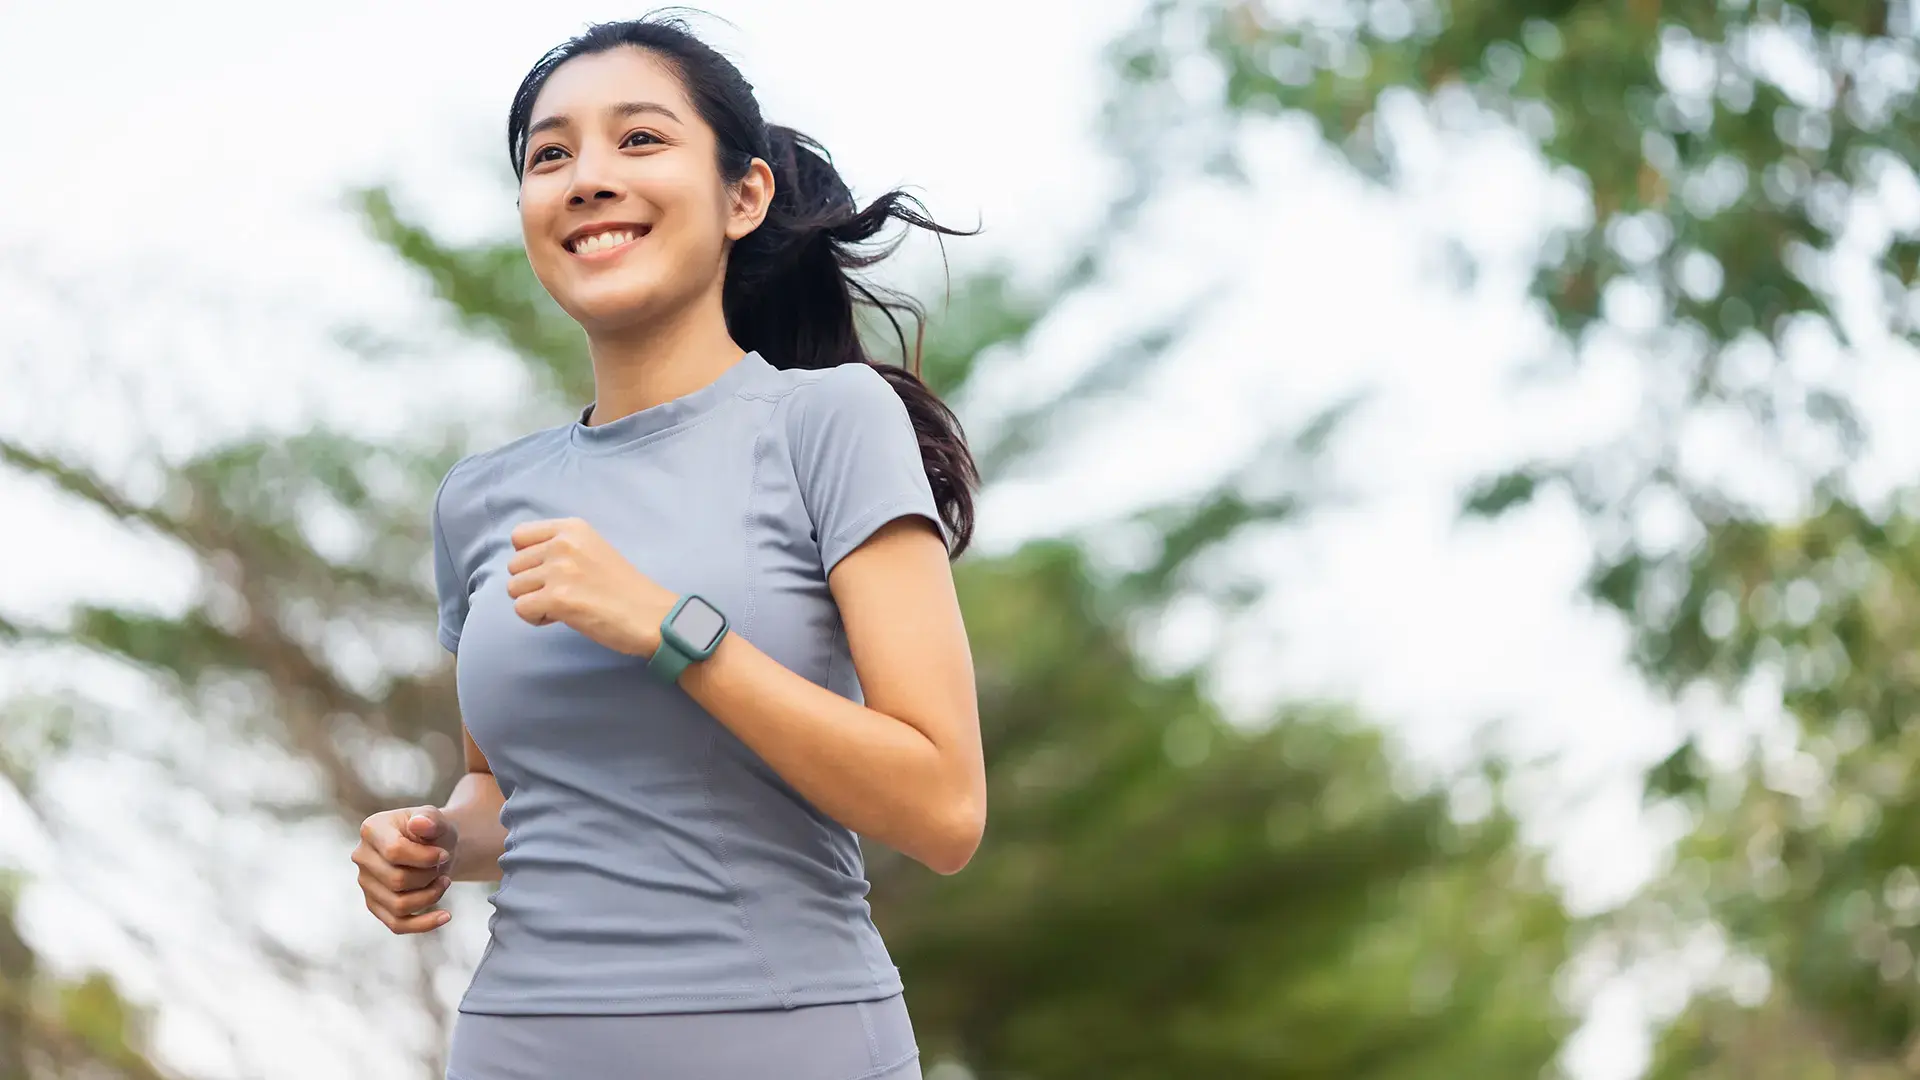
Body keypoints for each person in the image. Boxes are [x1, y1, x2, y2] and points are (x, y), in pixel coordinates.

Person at [346, 15, 986, 1080]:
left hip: (789, 1040)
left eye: (639, 140)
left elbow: (944, 809)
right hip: (520, 1047)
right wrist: (438, 841)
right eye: (551, 155)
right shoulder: (481, 499)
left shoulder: (828, 423)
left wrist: (670, 629)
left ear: (745, 197)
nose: (589, 178)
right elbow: (508, 789)